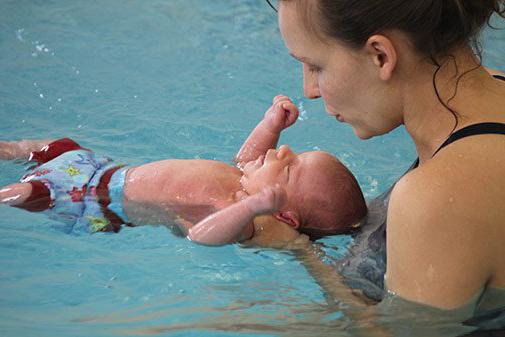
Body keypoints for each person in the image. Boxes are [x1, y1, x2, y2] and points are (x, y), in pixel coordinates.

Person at [272, 0, 505, 331]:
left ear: (380, 55)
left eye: (316, 66)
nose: (308, 91)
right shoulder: (494, 90)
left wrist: (297, 249)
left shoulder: (438, 196)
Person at [0, 95, 366, 246]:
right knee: (45, 147)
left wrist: (249, 209)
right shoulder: (242, 179)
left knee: (25, 194)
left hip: (93, 202)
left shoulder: (241, 215)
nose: (283, 152)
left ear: (282, 213)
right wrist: (271, 124)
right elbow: (246, 157)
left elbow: (202, 237)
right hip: (100, 169)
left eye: (289, 170)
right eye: (294, 153)